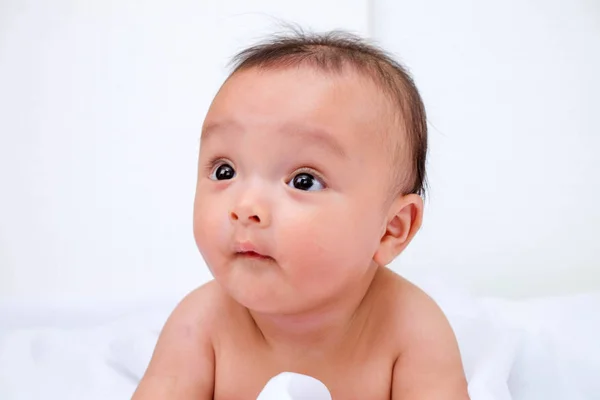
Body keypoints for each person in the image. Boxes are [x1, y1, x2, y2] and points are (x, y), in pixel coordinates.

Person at [133, 28, 469, 399]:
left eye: (304, 181)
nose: (246, 208)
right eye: (224, 171)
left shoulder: (411, 330)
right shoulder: (199, 324)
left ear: (391, 229)